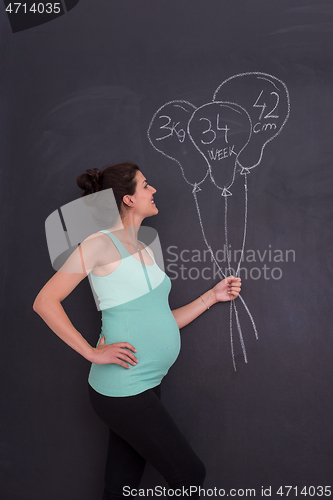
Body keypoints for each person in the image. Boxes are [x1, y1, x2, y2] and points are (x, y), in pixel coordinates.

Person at [33, 161, 242, 500]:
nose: (153, 190)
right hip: (123, 387)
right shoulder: (99, 244)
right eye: (146, 185)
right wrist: (91, 351)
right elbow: (45, 301)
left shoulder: (145, 248)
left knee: (120, 487)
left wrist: (212, 297)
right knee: (190, 473)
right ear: (128, 199)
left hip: (146, 384)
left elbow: (159, 319)